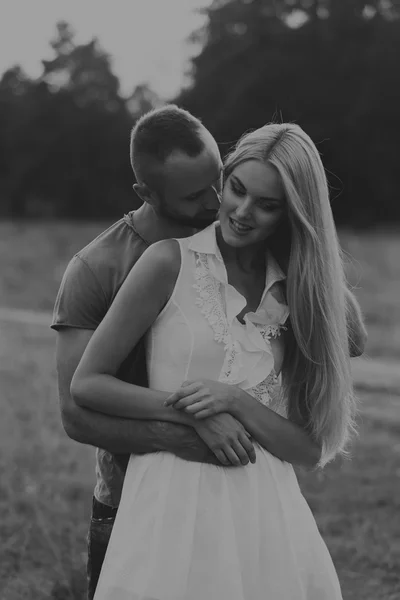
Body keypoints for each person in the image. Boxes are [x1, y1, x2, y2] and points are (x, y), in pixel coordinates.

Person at [70, 122, 364, 599]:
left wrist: (235, 402)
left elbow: (310, 450)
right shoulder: (169, 262)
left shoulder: (295, 290)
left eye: (267, 205)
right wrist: (194, 413)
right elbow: (88, 384)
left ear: (292, 213)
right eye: (236, 189)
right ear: (222, 181)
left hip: (266, 518)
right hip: (170, 506)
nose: (242, 212)